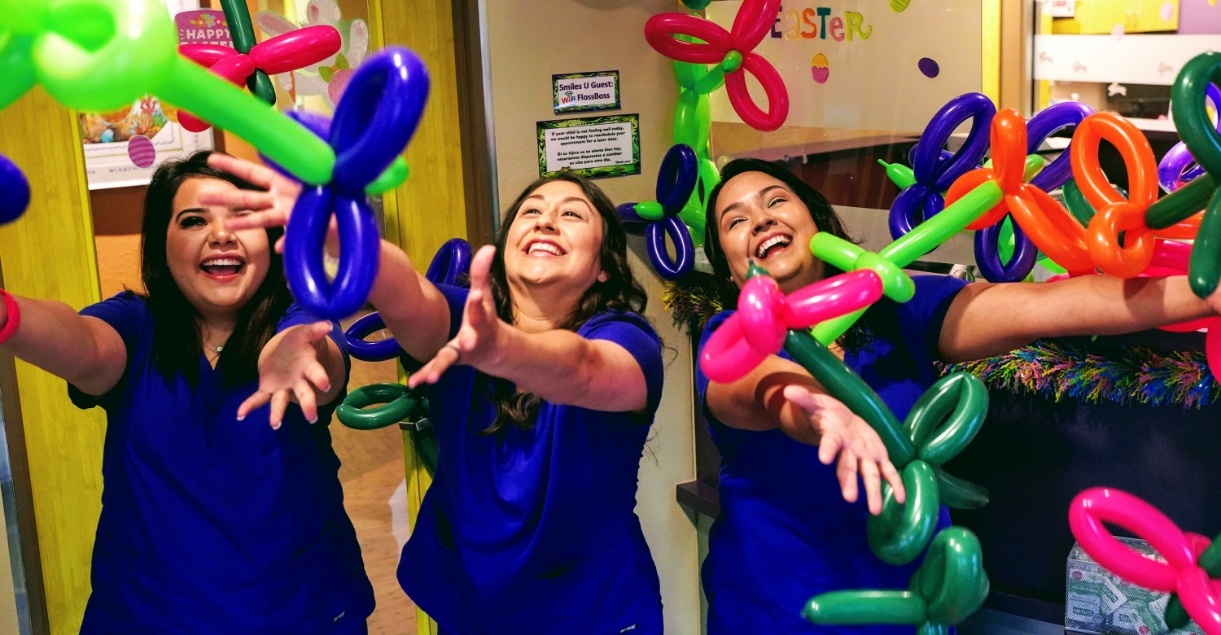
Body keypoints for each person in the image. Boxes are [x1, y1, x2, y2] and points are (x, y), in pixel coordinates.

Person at [695, 157, 1221, 634]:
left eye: (776, 200)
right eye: (735, 221)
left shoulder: (895, 304)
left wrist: (1201, 293)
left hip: (916, 611)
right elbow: (757, 388)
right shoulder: (731, 338)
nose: (761, 220)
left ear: (817, 220)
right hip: (774, 615)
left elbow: (1048, 306)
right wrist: (814, 407)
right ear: (730, 267)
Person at [208, 155, 666, 635]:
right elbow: (405, 292)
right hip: (471, 610)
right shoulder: (463, 315)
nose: (546, 219)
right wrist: (346, 234)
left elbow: (583, 369)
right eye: (530, 212)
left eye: (571, 214)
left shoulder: (627, 340)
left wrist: (503, 348)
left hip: (592, 610)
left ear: (603, 268)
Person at [0, 151, 374, 633]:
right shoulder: (135, 326)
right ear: (162, 243)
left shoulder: (299, 321)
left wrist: (302, 357)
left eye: (243, 216)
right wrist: (8, 313)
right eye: (194, 220)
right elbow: (83, 343)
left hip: (299, 609)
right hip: (151, 615)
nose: (221, 235)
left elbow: (320, 362)